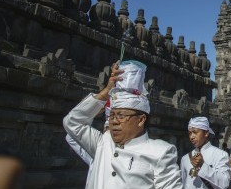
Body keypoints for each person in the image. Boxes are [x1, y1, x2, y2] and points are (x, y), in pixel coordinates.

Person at [63, 60, 182, 188]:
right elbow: (72, 122)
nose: (114, 121)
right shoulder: (103, 143)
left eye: (121, 116)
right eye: (112, 115)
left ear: (141, 120)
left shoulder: (160, 152)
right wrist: (106, 91)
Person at [180, 116, 231, 189]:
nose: (192, 137)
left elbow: (225, 183)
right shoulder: (185, 159)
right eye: (190, 133)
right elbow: (183, 184)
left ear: (206, 133)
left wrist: (203, 166)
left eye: (195, 132)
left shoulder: (221, 155)